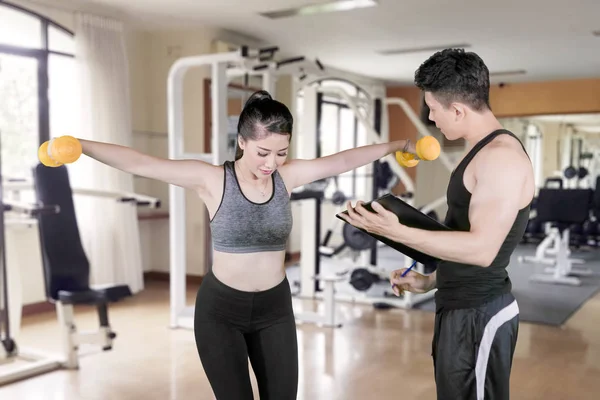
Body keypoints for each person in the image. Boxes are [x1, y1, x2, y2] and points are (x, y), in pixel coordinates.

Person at [74, 89, 419, 400]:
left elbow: (342, 161)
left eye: (281, 153)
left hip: (275, 309)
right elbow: (142, 163)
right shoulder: (211, 179)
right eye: (263, 152)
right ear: (242, 141)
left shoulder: (287, 177)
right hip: (220, 312)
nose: (271, 163)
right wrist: (79, 146)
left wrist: (399, 146)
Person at [339, 48, 535, 400]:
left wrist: (395, 230)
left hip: (480, 314)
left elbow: (481, 250)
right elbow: (464, 236)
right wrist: (430, 280)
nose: (430, 117)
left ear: (458, 109)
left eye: (433, 108)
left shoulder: (501, 158)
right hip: (459, 306)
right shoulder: (478, 152)